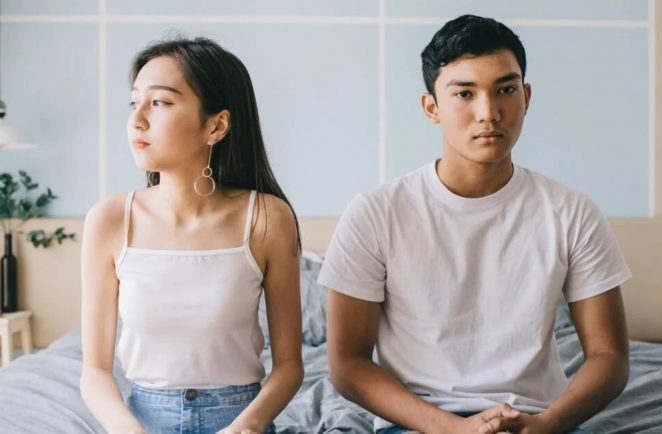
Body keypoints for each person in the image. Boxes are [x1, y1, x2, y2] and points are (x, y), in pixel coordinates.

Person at [320, 15, 631, 434]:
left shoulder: (571, 211)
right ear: (431, 108)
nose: (489, 113)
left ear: (527, 96)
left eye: (505, 90)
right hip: (419, 423)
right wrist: (453, 428)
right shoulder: (376, 212)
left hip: (536, 420)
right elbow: (348, 365)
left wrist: (550, 423)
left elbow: (609, 356)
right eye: (464, 93)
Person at [80, 37, 303, 434]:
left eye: (161, 102)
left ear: (215, 125)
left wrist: (245, 427)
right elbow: (94, 372)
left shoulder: (267, 218)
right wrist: (128, 429)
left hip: (241, 420)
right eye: (135, 102)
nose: (138, 120)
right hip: (142, 421)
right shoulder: (110, 220)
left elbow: (289, 367)